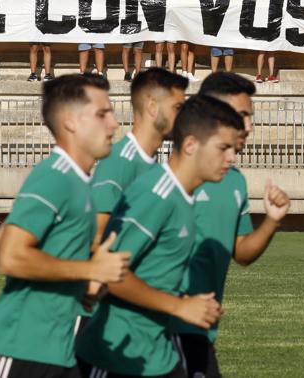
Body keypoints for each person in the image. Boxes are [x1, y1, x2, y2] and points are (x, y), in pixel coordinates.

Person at [75, 96, 244, 377]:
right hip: (116, 355)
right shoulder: (157, 194)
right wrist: (180, 306)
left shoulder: (184, 197)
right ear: (190, 145)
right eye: (223, 148)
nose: (231, 158)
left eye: (234, 149)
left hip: (155, 353)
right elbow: (109, 273)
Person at [0, 75, 132, 377]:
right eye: (102, 114)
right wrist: (89, 270)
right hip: (20, 351)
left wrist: (85, 286)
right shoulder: (55, 177)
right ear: (70, 121)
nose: (114, 124)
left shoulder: (79, 181)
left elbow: (2, 237)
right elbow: (9, 255)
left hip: (57, 350)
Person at [173, 73, 291, 377]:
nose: (248, 127)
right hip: (164, 331)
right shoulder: (169, 181)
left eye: (250, 117)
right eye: (241, 116)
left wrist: (271, 222)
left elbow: (241, 252)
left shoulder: (233, 179)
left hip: (202, 332)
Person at [90, 69, 188, 245]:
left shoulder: (153, 164)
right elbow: (95, 240)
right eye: (177, 108)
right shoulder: (119, 161)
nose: (183, 117)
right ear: (152, 107)